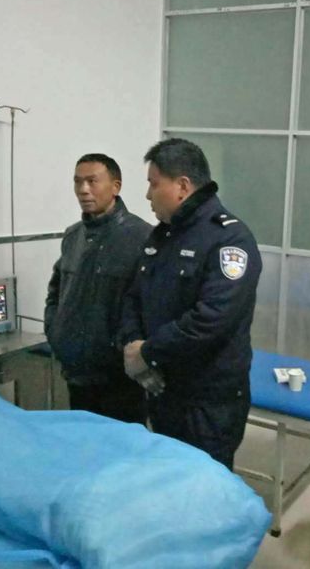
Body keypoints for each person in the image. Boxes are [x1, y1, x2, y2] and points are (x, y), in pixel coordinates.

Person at [120, 138, 261, 470]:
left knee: (203, 487)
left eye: (154, 184)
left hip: (207, 403)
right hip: (162, 390)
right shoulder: (162, 236)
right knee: (168, 479)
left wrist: (147, 352)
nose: (148, 195)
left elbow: (212, 319)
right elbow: (133, 296)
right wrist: (131, 345)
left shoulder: (229, 239)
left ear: (182, 186)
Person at [44, 153, 151, 423]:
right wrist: (56, 332)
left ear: (115, 186)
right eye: (77, 182)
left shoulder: (142, 237)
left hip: (120, 378)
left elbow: (150, 305)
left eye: (92, 181)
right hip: (77, 373)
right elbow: (56, 292)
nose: (83, 189)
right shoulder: (73, 236)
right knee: (82, 441)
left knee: (123, 445)